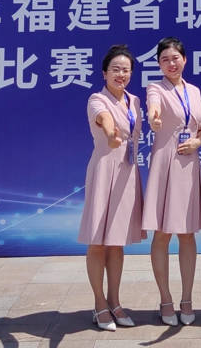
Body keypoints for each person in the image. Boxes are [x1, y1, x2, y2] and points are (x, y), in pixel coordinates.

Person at [143, 37, 201, 326]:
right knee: (162, 233)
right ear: (159, 64)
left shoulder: (194, 91)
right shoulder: (155, 88)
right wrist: (154, 119)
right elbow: (153, 109)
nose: (171, 64)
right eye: (164, 60)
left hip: (188, 164)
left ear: (184, 59)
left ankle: (186, 299)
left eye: (175, 58)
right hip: (165, 164)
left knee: (187, 234)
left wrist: (198, 141)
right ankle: (166, 299)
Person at [77, 44, 145, 331]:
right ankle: (99, 304)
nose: (121, 74)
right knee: (98, 241)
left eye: (126, 70)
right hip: (104, 172)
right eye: (115, 69)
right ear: (104, 73)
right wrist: (110, 134)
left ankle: (115, 302)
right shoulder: (97, 99)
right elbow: (104, 119)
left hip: (127, 173)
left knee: (117, 242)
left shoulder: (135, 101)